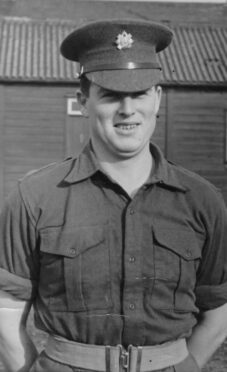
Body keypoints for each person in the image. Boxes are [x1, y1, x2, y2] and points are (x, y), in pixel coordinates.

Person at [0, 18, 227, 372]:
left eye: (139, 94)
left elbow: (218, 307)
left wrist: (183, 366)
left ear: (158, 98)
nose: (127, 110)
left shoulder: (203, 201)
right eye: (110, 95)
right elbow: (6, 311)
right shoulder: (34, 198)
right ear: (83, 101)